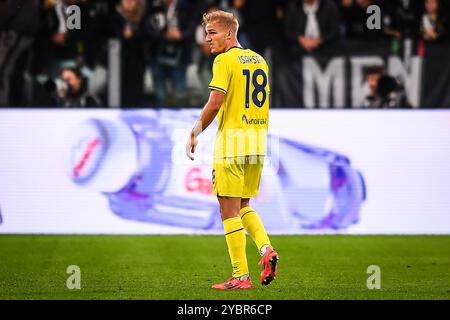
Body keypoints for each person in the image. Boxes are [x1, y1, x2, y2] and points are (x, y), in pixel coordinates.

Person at [185, 9, 279, 290]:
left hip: (232, 144)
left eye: (212, 33)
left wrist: (195, 131)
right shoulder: (259, 61)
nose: (207, 39)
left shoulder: (224, 60)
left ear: (230, 33)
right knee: (243, 206)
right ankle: (266, 250)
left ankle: (240, 276)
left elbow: (215, 103)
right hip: (257, 143)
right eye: (206, 33)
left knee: (228, 211)